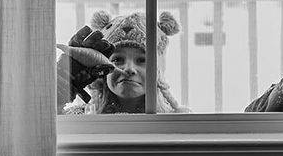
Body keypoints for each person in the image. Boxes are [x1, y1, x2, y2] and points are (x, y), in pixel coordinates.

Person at [56, 9, 186, 114]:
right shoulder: (81, 118)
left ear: (158, 72)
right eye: (117, 59)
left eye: (142, 60)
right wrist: (60, 90)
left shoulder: (174, 121)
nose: (129, 69)